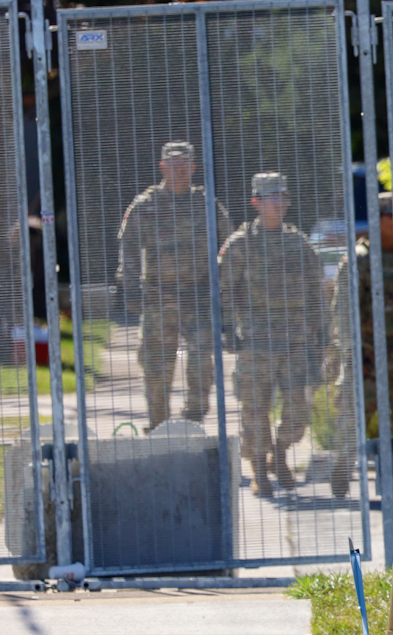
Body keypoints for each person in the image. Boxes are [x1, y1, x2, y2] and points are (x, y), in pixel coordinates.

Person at [219, 172, 327, 498]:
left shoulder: (299, 244)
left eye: (283, 197)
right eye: (271, 197)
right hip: (255, 345)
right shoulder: (240, 245)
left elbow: (316, 291)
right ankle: (259, 472)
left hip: (295, 343)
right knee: (253, 412)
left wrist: (320, 332)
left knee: (297, 415)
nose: (279, 203)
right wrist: (227, 328)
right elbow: (222, 290)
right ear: (256, 202)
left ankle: (280, 454)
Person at [117, 141, 231, 432]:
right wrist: (130, 288)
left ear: (193, 168)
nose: (179, 170)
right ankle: (158, 425)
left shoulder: (207, 205)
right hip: (159, 297)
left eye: (185, 165)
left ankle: (194, 417)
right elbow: (128, 248)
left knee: (202, 363)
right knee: (156, 367)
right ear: (162, 167)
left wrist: (226, 292)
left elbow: (229, 249)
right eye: (173, 164)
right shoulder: (145, 206)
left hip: (199, 298)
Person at [328, 192, 393, 498]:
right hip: (368, 356)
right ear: (377, 221)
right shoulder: (358, 260)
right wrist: (353, 354)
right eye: (392, 217)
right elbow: (344, 313)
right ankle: (343, 466)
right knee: (355, 414)